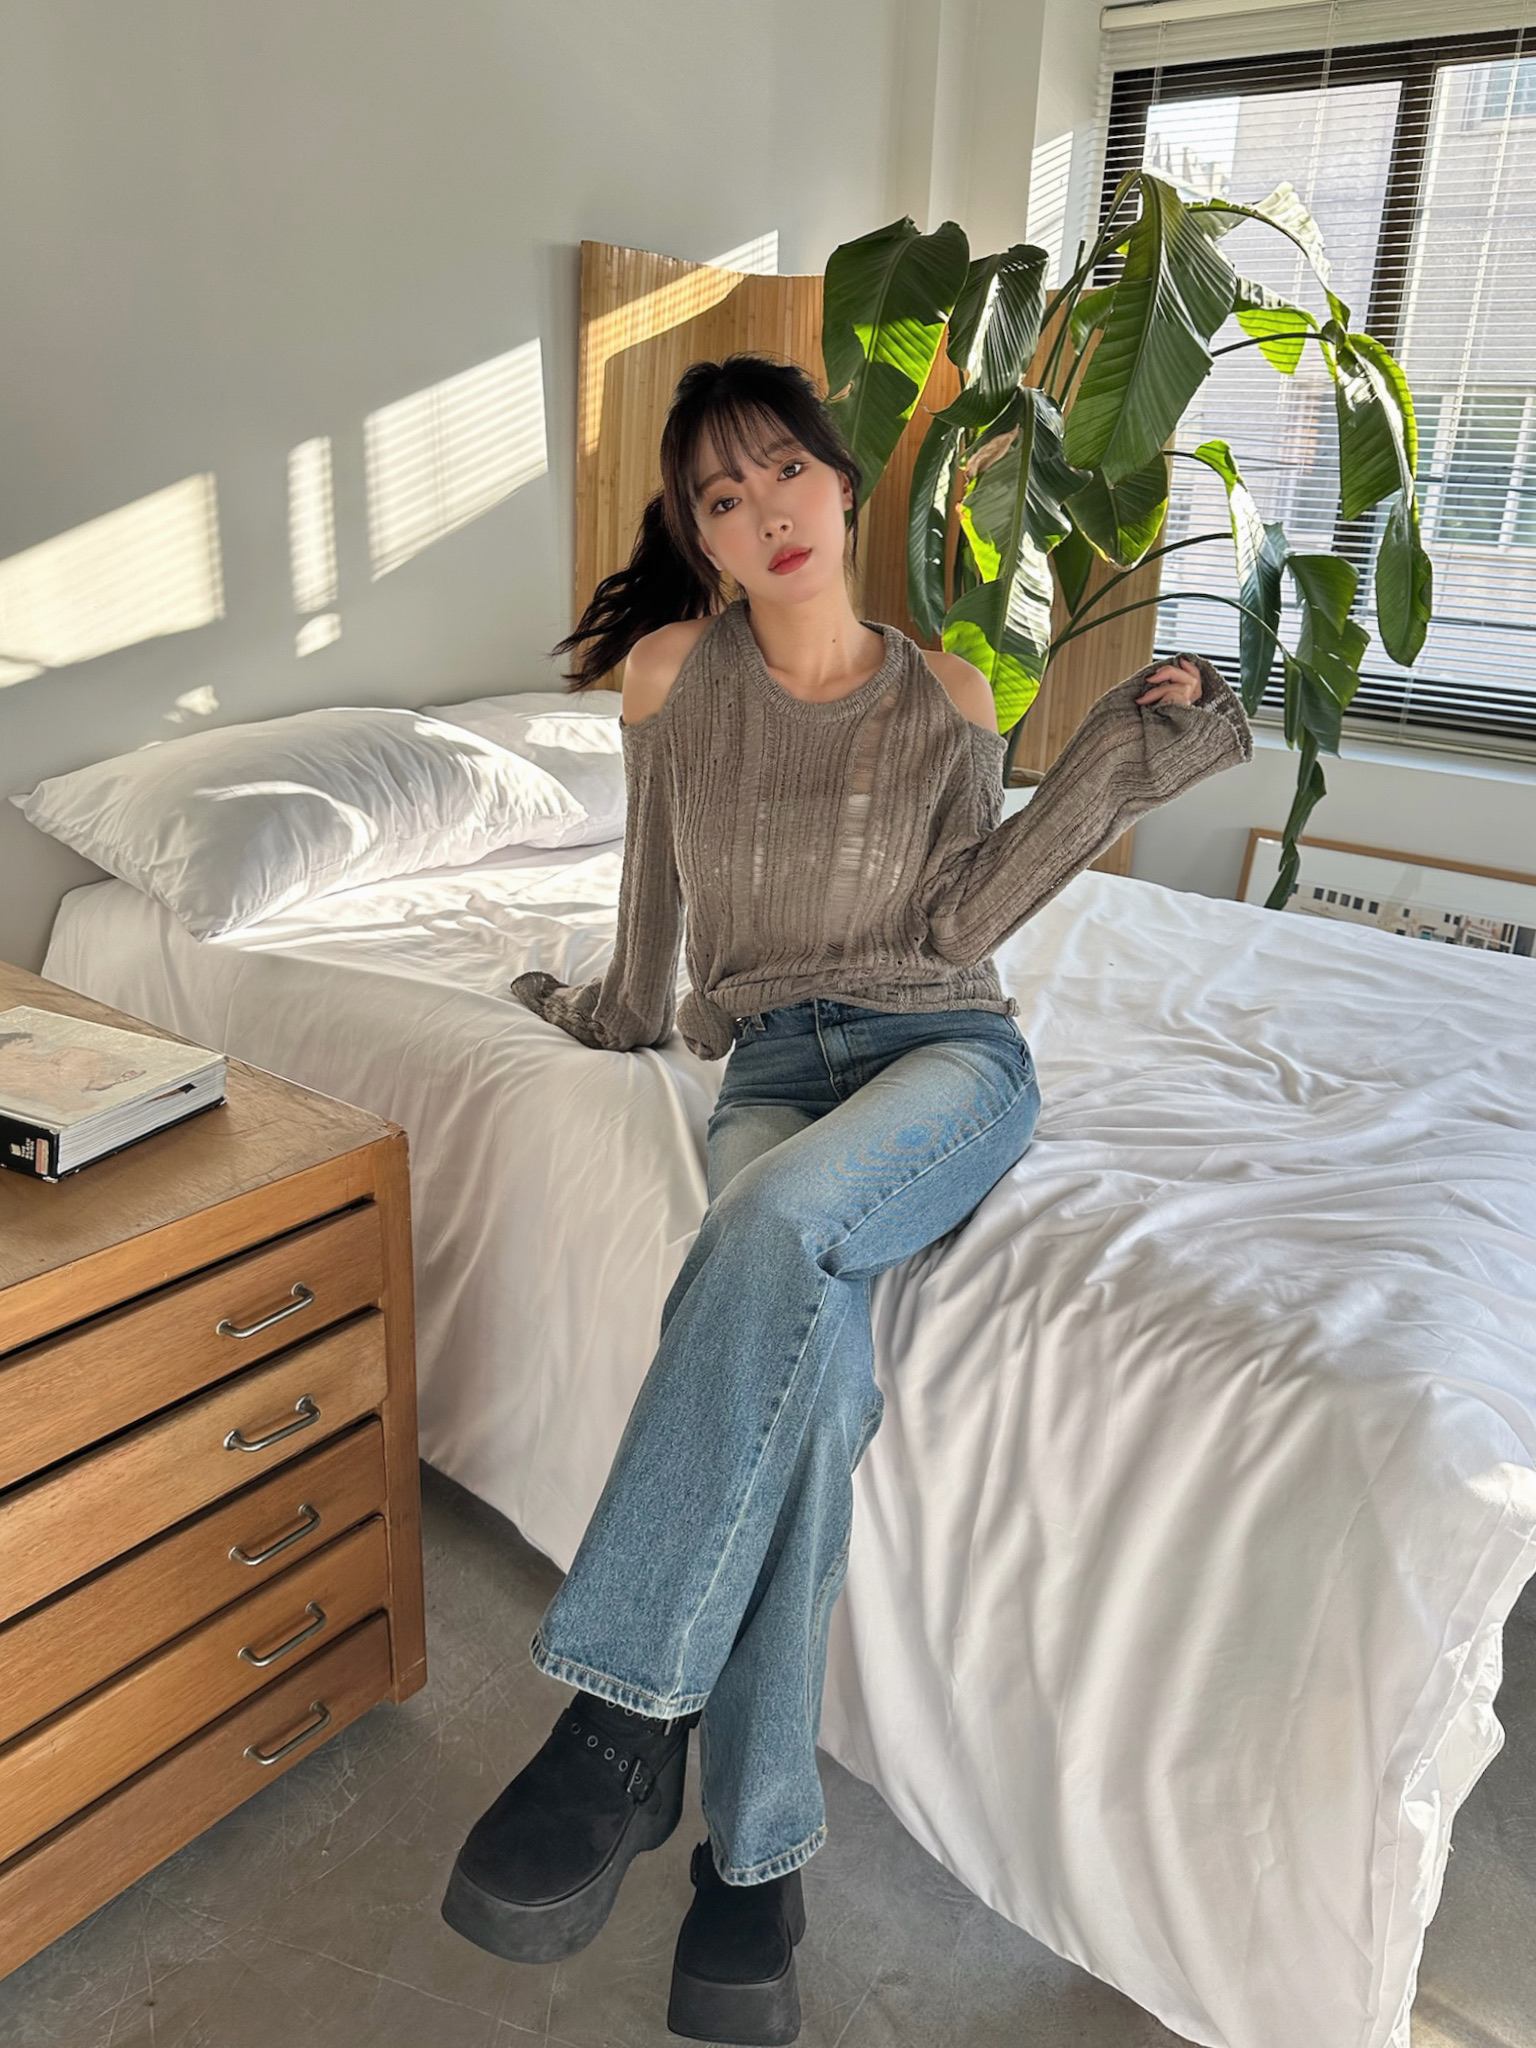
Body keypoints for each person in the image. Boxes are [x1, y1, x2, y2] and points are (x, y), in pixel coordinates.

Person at [440, 352, 1253, 2044]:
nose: (766, 513)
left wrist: (1129, 747)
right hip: (769, 1069)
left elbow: (964, 924)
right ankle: (756, 1869)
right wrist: (578, 1008)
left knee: (765, 1227)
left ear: (843, 477)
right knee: (807, 1391)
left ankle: (620, 1725)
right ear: (702, 539)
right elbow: (651, 937)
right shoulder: (674, 677)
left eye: (785, 472)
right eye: (721, 498)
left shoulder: (948, 691)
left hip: (943, 1055)